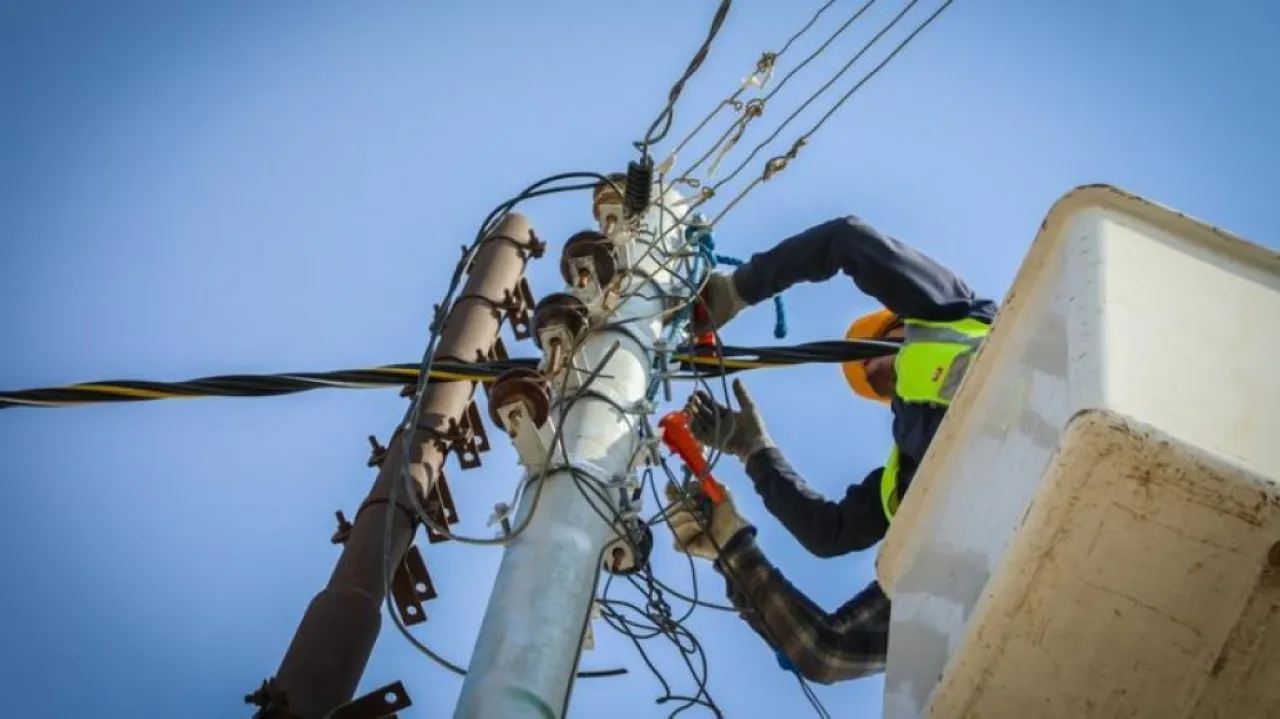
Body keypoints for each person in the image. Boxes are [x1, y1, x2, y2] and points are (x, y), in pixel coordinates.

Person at [667, 214, 998, 684]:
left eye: (872, 348)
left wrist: (736, 291)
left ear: (898, 321)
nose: (865, 366)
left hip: (1046, 437)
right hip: (988, 554)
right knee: (824, 653)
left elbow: (847, 239)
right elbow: (828, 533)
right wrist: (753, 449)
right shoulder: (906, 477)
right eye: (874, 383)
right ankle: (729, 544)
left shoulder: (955, 315)